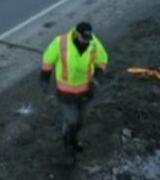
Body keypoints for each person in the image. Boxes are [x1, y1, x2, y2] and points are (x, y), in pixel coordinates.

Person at [40, 21, 109, 163]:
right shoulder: (60, 42)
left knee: (80, 122)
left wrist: (97, 78)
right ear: (77, 34)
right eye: (84, 38)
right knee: (71, 121)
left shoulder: (93, 43)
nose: (86, 42)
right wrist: (44, 80)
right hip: (66, 93)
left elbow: (102, 61)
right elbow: (47, 60)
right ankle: (68, 150)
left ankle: (74, 140)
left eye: (88, 39)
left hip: (85, 92)